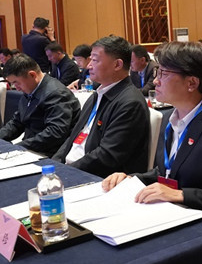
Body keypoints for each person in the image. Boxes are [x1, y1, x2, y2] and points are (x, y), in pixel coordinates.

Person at [101, 41, 202, 254]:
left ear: (192, 83)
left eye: (164, 73)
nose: (156, 80)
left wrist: (181, 195)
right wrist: (132, 179)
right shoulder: (170, 118)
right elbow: (170, 172)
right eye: (157, 72)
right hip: (182, 214)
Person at [52, 36, 150, 177]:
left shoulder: (130, 103)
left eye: (95, 60)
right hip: (72, 170)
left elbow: (107, 156)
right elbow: (74, 136)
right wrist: (55, 164)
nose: (89, 66)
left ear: (117, 65)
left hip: (99, 178)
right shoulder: (97, 95)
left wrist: (66, 172)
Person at [0, 54, 81, 157]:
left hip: (50, 152)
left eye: (16, 82)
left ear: (32, 75)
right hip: (32, 147)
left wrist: (18, 147)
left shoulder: (56, 94)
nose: (16, 87)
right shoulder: (31, 89)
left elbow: (55, 133)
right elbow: (17, 122)